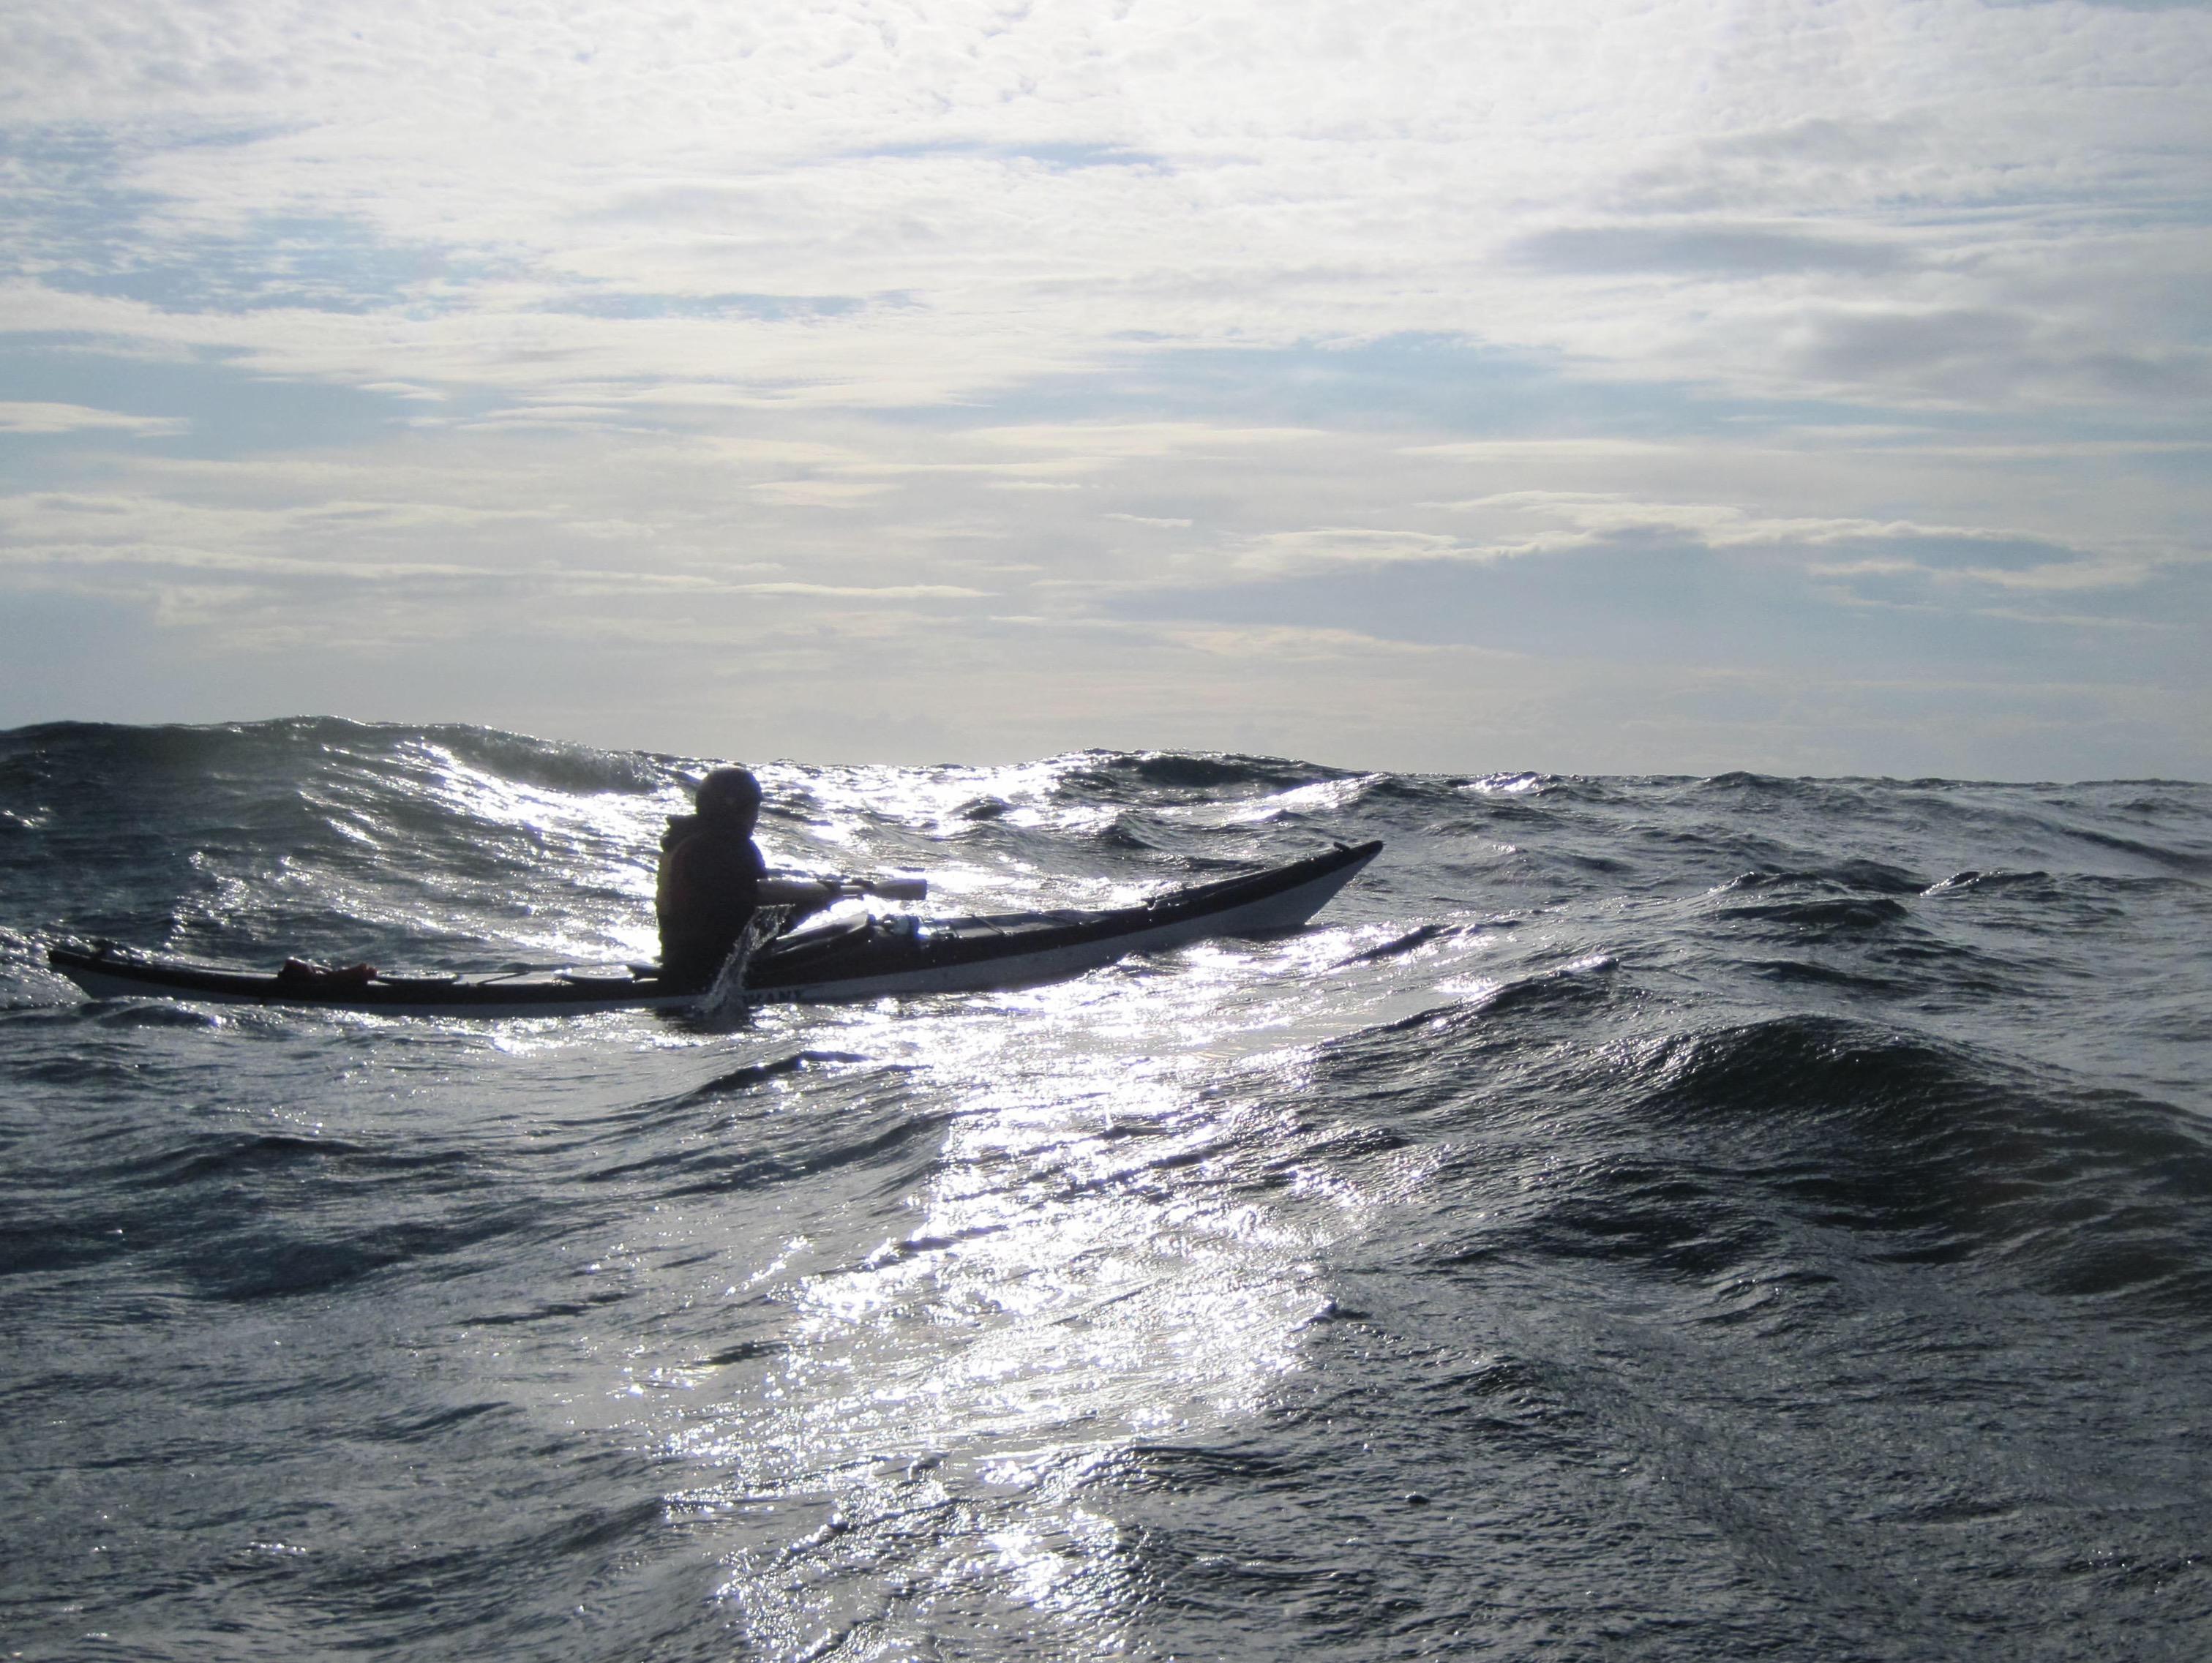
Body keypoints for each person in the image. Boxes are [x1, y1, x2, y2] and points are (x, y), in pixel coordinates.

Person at [655, 767, 829, 990]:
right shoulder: (727, 845)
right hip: (712, 966)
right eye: (753, 809)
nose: (755, 818)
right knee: (811, 904)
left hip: (677, 957)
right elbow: (760, 893)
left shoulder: (682, 840)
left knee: (809, 904)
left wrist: (821, 893)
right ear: (736, 808)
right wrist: (821, 893)